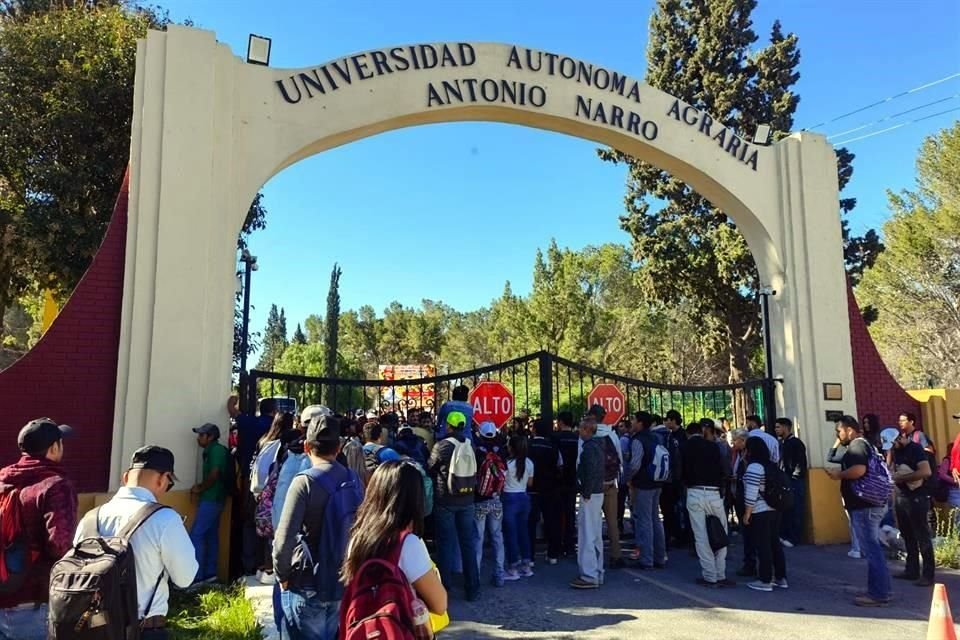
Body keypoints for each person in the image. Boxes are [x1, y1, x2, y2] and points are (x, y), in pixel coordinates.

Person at [74, 446, 197, 638]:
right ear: (162, 479)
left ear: (125, 478)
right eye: (169, 483)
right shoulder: (164, 518)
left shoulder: (90, 519)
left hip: (93, 629)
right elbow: (185, 578)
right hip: (143, 630)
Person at [274, 414, 361, 639]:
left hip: (307, 582)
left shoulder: (304, 483)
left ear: (306, 446)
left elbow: (283, 540)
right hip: (342, 581)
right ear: (339, 446)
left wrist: (282, 575)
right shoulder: (354, 480)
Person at [340, 460, 448, 627]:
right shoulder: (408, 544)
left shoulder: (358, 538)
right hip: (397, 629)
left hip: (365, 629)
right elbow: (440, 604)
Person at [0, 418, 77, 639]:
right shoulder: (55, 485)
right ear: (54, 448)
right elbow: (60, 545)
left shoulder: (4, 480)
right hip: (32, 600)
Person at [826, 415, 892, 606]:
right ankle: (881, 590)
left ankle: (878, 593)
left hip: (865, 505)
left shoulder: (857, 446)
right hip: (870, 504)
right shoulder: (863, 445)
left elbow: (859, 470)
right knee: (873, 549)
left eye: (839, 431)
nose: (837, 435)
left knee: (871, 550)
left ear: (849, 430)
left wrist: (839, 475)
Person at [427, 411, 480, 601]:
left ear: (448, 425)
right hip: (467, 499)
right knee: (468, 544)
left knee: (445, 544)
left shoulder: (441, 446)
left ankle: (444, 587)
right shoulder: (469, 444)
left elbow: (430, 467)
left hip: (446, 500)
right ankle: (473, 587)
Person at [228, 395, 277, 575]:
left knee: (249, 521)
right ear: (274, 411)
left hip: (249, 480)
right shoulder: (275, 426)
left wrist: (233, 400)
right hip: (272, 485)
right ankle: (264, 564)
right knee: (268, 524)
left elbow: (232, 410)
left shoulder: (249, 422)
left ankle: (246, 566)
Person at [683, 421, 731, 587]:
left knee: (701, 536)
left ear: (688, 433)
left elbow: (680, 471)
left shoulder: (685, 446)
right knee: (720, 533)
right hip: (714, 493)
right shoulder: (713, 446)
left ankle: (709, 575)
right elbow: (723, 468)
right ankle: (720, 573)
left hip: (695, 492)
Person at [889, 428, 934, 586]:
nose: (893, 446)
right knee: (907, 535)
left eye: (894, 442)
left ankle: (928, 574)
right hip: (902, 496)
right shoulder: (895, 450)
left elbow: (925, 471)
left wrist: (903, 478)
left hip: (917, 497)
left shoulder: (915, 449)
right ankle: (912, 569)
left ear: (901, 437)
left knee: (922, 535)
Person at [742, 437, 788, 592]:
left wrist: (747, 513)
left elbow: (751, 493)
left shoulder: (754, 466)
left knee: (763, 545)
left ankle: (765, 579)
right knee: (774, 543)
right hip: (775, 509)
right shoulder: (771, 465)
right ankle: (781, 577)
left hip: (760, 510)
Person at [582, 405, 625, 569]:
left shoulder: (587, 434)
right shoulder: (611, 434)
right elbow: (620, 458)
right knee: (612, 522)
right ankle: (616, 555)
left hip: (593, 486)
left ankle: (593, 558)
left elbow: (582, 461)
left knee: (592, 522)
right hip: (610, 484)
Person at [189, 422, 229, 585]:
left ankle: (197, 577)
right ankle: (210, 574)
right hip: (215, 498)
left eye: (201, 435)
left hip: (212, 498)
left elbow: (214, 473)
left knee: (196, 535)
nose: (198, 438)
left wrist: (200, 488)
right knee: (210, 535)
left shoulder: (216, 450)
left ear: (210, 437)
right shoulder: (211, 450)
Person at [627, 411, 667, 570]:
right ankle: (660, 557)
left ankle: (646, 559)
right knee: (655, 519)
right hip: (657, 482)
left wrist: (628, 478)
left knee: (644, 521)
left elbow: (635, 464)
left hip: (643, 483)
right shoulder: (656, 437)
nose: (632, 422)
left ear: (640, 422)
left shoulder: (637, 440)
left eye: (633, 419)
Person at [571, 418, 604, 589]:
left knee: (587, 535)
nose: (579, 431)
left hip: (590, 495)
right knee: (595, 534)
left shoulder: (589, 449)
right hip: (597, 493)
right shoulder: (597, 446)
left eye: (581, 429)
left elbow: (589, 472)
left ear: (586, 429)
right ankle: (597, 571)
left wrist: (586, 492)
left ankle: (589, 574)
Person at [474, 422, 507, 587]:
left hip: (479, 500)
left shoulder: (477, 450)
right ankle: (500, 574)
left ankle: (476, 577)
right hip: (496, 500)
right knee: (497, 537)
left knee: (478, 538)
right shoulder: (501, 450)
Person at [527, 419, 562, 565]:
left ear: (534, 429)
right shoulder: (553, 447)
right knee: (551, 521)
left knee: (530, 523)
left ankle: (530, 556)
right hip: (550, 488)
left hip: (531, 489)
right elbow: (560, 466)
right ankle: (553, 553)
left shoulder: (528, 446)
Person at [502, 434, 534, 580]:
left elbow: (501, 482)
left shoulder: (507, 464)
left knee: (511, 534)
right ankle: (526, 565)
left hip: (509, 498)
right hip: (524, 497)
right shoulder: (529, 463)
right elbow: (530, 484)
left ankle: (513, 566)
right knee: (523, 532)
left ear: (512, 448)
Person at [775, 418, 807, 547]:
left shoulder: (796, 443)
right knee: (787, 510)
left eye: (778, 427)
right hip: (785, 482)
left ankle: (795, 538)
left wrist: (794, 477)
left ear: (785, 427)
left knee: (796, 510)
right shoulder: (782, 443)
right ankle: (785, 535)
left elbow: (800, 463)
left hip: (794, 482)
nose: (776, 429)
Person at [554, 411, 580, 557]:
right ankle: (569, 545)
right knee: (570, 514)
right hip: (572, 479)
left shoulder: (555, 438)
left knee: (557, 514)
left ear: (561, 422)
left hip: (558, 480)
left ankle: (557, 545)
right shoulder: (577, 439)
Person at [661, 409, 688, 547]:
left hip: (678, 478)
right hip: (674, 477)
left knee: (678, 508)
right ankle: (676, 534)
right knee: (673, 508)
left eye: (667, 419)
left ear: (673, 420)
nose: (665, 422)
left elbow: (679, 459)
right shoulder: (672, 435)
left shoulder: (679, 437)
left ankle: (680, 535)